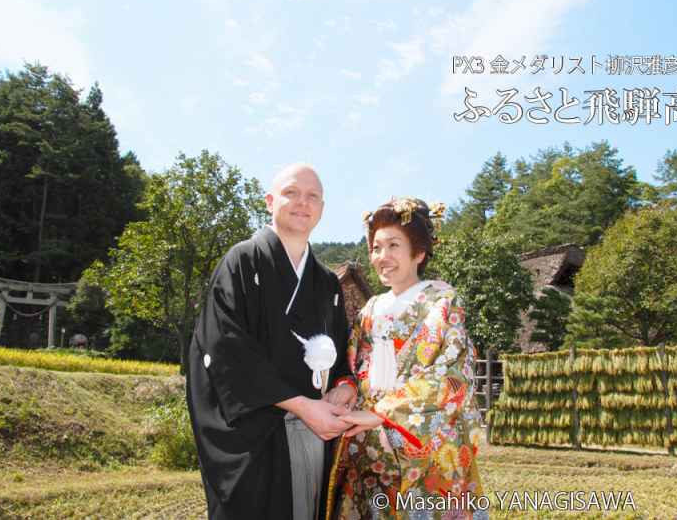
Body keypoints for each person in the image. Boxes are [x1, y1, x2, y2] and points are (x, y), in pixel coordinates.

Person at [186, 163, 359, 519]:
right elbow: (225, 348)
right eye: (291, 193)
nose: (302, 203)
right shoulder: (242, 261)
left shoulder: (327, 283)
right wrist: (301, 405)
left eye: (313, 196)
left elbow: (342, 353)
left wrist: (345, 385)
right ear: (269, 201)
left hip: (316, 433)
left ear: (322, 209)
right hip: (260, 437)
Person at [326, 197, 487, 520]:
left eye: (393, 246)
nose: (381, 257)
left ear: (420, 252)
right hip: (368, 448)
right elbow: (355, 370)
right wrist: (347, 387)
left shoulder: (441, 302)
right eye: (375, 247)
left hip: (425, 447)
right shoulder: (370, 310)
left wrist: (383, 413)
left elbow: (451, 375)